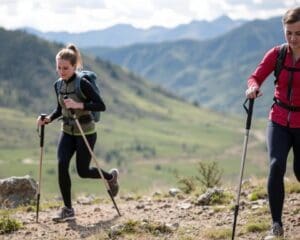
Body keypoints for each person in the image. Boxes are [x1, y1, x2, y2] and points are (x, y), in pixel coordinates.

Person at [37, 43, 119, 222]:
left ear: (74, 66)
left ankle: (110, 177)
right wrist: (48, 119)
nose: (61, 71)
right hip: (66, 131)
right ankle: (68, 209)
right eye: (58, 67)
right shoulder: (58, 85)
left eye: (65, 68)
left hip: (86, 132)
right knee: (61, 164)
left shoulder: (83, 83)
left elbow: (101, 105)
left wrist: (79, 105)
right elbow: (60, 109)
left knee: (83, 171)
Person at [246, 7, 300, 239]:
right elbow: (255, 76)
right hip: (278, 118)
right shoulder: (277, 54)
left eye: (298, 33)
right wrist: (253, 87)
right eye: (289, 33)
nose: (293, 38)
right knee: (276, 165)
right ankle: (276, 225)